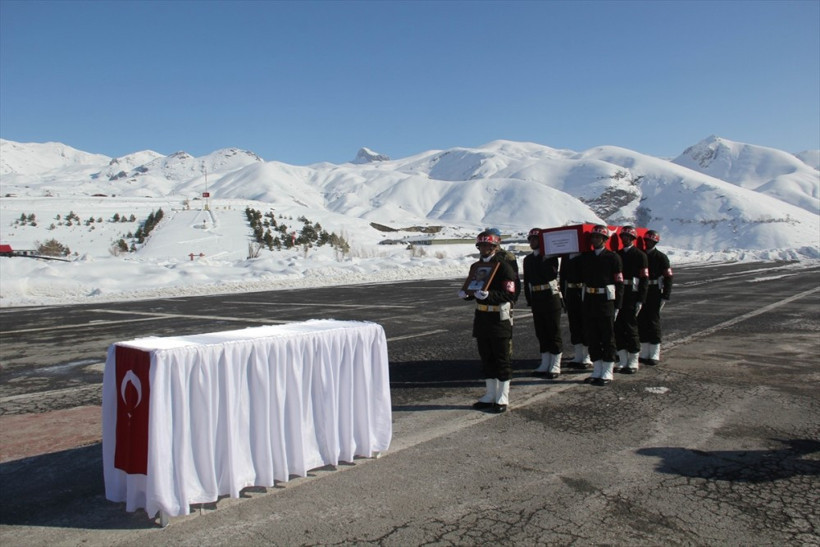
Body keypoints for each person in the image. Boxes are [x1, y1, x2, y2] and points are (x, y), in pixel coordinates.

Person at [458, 230, 519, 413]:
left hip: (499, 318)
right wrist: (466, 295)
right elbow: (474, 289)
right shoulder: (476, 267)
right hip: (482, 317)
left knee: (501, 358)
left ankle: (503, 396)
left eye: (489, 246)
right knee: (486, 357)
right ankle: (490, 394)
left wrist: (490, 295)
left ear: (495, 247)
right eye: (482, 246)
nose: (485, 249)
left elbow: (510, 293)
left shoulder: (504, 267)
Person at [578, 224, 623, 386]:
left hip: (605, 302)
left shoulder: (613, 257)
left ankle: (607, 371)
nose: (595, 240)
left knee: (607, 337)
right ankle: (597, 370)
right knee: (593, 336)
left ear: (605, 239)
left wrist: (617, 305)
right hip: (590, 300)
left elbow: (619, 283)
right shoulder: (586, 257)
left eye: (598, 237)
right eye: (593, 237)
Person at [522, 228, 563, 379]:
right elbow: (527, 281)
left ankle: (555, 364)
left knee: (553, 330)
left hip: (550, 297)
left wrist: (545, 259)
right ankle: (545, 362)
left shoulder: (550, 258)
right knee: (541, 331)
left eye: (535, 239)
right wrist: (529, 299)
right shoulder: (528, 259)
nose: (532, 242)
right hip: (537, 297)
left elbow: (551, 275)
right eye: (531, 239)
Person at [614, 226, 649, 374]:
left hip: (632, 295)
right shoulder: (618, 254)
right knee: (618, 328)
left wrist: (641, 299)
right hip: (619, 293)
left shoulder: (640, 255)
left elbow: (644, 279)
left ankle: (633, 360)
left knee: (631, 327)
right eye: (623, 237)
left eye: (628, 237)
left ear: (633, 239)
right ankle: (622, 359)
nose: (625, 239)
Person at [638, 229, 673, 366]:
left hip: (654, 291)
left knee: (653, 321)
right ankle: (645, 351)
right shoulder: (642, 256)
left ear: (656, 241)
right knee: (642, 320)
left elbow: (668, 277)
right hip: (643, 290)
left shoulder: (661, 257)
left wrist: (666, 295)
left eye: (651, 241)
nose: (648, 243)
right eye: (647, 240)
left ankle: (654, 353)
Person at [560, 251, 593, 369]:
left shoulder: (586, 254)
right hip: (571, 292)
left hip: (583, 290)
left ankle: (587, 356)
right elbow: (563, 275)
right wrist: (564, 296)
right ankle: (578, 355)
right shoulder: (566, 255)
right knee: (574, 324)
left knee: (586, 324)